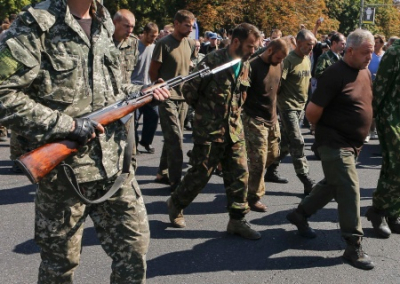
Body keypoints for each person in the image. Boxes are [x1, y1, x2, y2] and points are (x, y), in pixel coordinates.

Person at [0, 0, 170, 282]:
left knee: (133, 255)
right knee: (59, 268)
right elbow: (3, 94)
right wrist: (67, 125)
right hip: (63, 176)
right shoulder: (35, 23)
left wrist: (143, 91)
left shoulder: (104, 20)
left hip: (115, 169)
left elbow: (110, 90)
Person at [286, 29, 375, 270]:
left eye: (372, 52)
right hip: (334, 142)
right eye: (366, 52)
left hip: (352, 144)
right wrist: (328, 131)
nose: (370, 56)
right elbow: (312, 112)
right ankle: (353, 244)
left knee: (332, 184)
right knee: (348, 187)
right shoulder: (334, 74)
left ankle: (300, 214)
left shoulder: (364, 71)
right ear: (350, 51)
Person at [167, 23, 262, 240]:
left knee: (240, 175)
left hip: (234, 130)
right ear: (236, 42)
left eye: (255, 47)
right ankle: (176, 203)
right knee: (200, 174)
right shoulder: (212, 61)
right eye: (250, 46)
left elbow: (241, 97)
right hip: (210, 130)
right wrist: (206, 114)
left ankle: (237, 220)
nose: (253, 51)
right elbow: (189, 90)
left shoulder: (245, 64)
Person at [266, 29, 316, 195]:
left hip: (300, 107)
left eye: (313, 45)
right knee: (297, 140)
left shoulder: (307, 59)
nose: (311, 47)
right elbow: (278, 83)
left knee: (286, 144)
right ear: (299, 43)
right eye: (308, 44)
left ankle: (269, 170)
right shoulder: (288, 60)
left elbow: (306, 82)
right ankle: (306, 178)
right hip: (287, 107)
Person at [149, 10, 195, 190]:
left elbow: (188, 66)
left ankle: (163, 172)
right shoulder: (163, 44)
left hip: (183, 98)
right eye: (187, 25)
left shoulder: (190, 44)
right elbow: (153, 70)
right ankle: (176, 181)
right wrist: (157, 86)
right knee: (176, 138)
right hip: (166, 96)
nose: (190, 29)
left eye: (192, 25)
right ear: (176, 23)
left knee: (173, 136)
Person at [243, 39, 289, 212]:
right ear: (269, 50)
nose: (279, 61)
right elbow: (243, 94)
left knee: (274, 154)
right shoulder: (252, 66)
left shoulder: (280, 64)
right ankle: (253, 197)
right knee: (259, 161)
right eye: (278, 57)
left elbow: (276, 89)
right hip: (254, 118)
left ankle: (244, 179)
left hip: (272, 118)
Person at [365, 38, 400, 238]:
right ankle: (378, 211)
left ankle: (393, 212)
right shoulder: (395, 53)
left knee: (393, 167)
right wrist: (369, 122)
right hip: (391, 116)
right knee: (395, 165)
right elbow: (380, 89)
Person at [131, 22, 160, 154]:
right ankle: (134, 144)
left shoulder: (155, 48)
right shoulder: (134, 47)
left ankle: (146, 142)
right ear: (144, 33)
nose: (153, 39)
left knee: (153, 116)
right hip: (135, 89)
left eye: (156, 36)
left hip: (149, 88)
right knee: (134, 120)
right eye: (151, 36)